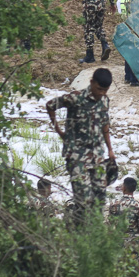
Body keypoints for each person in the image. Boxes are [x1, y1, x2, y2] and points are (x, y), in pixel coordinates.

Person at [46, 69, 114, 214]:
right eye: (99, 89)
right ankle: (79, 231)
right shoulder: (75, 98)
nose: (102, 93)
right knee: (83, 201)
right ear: (91, 82)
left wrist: (110, 149)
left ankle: (95, 232)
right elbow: (50, 105)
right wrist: (59, 131)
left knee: (100, 200)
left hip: (97, 156)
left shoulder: (104, 101)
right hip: (77, 157)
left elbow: (105, 124)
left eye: (105, 90)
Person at [105, 176, 139, 267]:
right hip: (134, 245)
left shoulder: (114, 205)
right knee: (135, 274)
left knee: (119, 273)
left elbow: (109, 226)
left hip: (118, 244)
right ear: (134, 189)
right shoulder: (138, 206)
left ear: (123, 188)